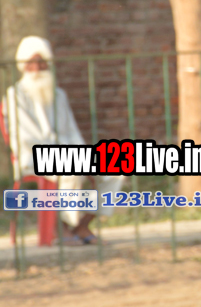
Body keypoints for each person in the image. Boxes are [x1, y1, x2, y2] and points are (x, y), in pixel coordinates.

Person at [3, 37, 121, 245]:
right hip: (34, 156)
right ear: (23, 65)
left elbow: (72, 132)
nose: (37, 68)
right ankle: (61, 228)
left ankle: (81, 225)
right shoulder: (15, 95)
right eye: (32, 62)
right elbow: (26, 138)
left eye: (42, 62)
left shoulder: (59, 95)